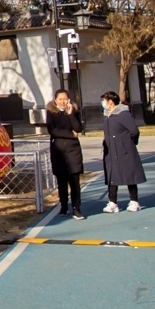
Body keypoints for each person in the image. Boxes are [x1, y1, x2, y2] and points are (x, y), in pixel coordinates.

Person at [45, 89, 87, 220]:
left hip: (73, 151)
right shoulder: (51, 112)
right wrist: (71, 134)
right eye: (60, 99)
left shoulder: (73, 111)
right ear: (55, 100)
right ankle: (63, 205)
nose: (63, 102)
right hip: (59, 151)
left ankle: (76, 208)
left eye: (65, 99)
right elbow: (53, 130)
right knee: (62, 181)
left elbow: (78, 128)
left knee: (74, 181)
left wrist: (70, 114)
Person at [99, 91, 144, 212]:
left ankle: (134, 201)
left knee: (130, 174)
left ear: (111, 101)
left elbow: (134, 131)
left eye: (104, 100)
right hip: (111, 150)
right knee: (111, 175)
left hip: (124, 149)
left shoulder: (123, 114)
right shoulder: (107, 115)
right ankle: (112, 202)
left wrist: (128, 142)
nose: (102, 103)